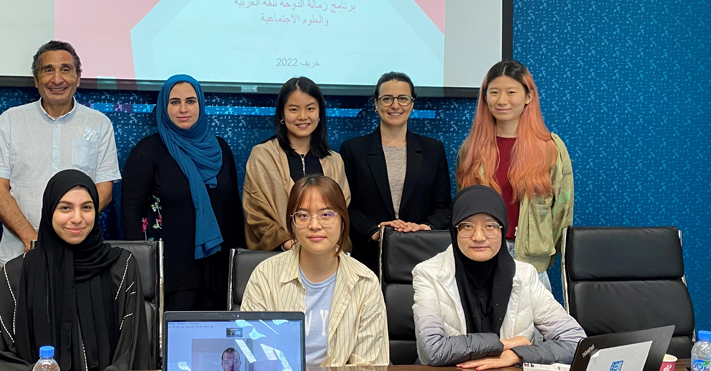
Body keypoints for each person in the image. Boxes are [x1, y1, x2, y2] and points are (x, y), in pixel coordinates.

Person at [0, 170, 153, 371]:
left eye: (86, 207)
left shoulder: (121, 266)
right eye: (65, 208)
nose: (77, 218)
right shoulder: (17, 274)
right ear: (49, 211)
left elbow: (132, 350)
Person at [412, 185, 585, 369]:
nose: (479, 236)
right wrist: (502, 344)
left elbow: (576, 343)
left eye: (490, 226)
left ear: (502, 229)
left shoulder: (524, 275)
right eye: (467, 226)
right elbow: (431, 351)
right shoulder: (428, 273)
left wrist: (515, 355)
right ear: (455, 231)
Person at [0, 41, 121, 266]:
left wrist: (68, 232)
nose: (57, 79)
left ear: (78, 77)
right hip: (20, 253)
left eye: (65, 69)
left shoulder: (99, 124)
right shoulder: (10, 121)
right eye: (48, 70)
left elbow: (104, 189)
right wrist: (33, 239)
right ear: (36, 80)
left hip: (80, 253)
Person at [121, 75, 244, 311]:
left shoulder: (221, 149)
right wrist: (141, 268)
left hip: (218, 275)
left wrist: (236, 269)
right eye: (174, 102)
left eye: (191, 101)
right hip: (171, 276)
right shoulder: (148, 151)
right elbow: (130, 212)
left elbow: (233, 211)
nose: (183, 109)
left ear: (201, 104)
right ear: (164, 107)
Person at [241, 175, 389, 367]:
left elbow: (371, 370)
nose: (314, 225)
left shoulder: (365, 282)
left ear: (343, 220)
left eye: (326, 214)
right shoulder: (265, 275)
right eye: (302, 215)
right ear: (292, 224)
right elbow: (251, 356)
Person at [455, 61, 573, 291]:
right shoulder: (471, 150)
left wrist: (543, 253)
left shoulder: (551, 148)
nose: (502, 101)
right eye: (494, 92)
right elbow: (462, 209)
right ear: (485, 97)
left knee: (535, 327)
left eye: (511, 92)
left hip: (532, 265)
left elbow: (562, 214)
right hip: (481, 258)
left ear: (528, 96)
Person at [339, 71, 452, 270]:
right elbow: (347, 206)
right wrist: (374, 231)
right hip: (368, 256)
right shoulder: (353, 150)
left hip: (421, 254)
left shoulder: (433, 150)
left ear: (412, 103)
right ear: (376, 104)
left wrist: (426, 227)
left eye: (403, 98)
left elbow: (443, 206)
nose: (395, 105)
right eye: (387, 99)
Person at [243, 77, 351, 251]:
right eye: (294, 109)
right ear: (282, 115)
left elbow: (341, 214)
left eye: (310, 109)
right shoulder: (262, 155)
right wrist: (287, 243)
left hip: (325, 258)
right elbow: (256, 212)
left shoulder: (334, 161)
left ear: (320, 113)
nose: (302, 116)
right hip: (278, 257)